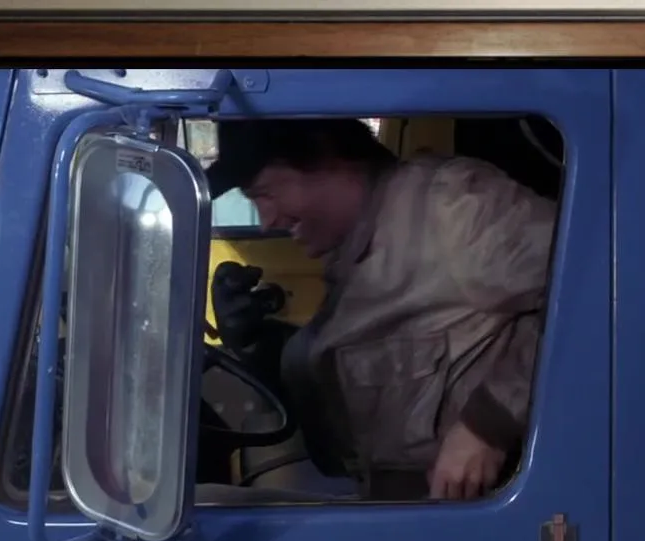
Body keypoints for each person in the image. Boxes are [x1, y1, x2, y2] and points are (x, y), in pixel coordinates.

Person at [205, 118, 555, 501]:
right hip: (387, 505)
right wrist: (260, 344)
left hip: (484, 514)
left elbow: (594, 287)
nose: (266, 220)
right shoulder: (351, 248)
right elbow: (366, 362)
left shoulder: (451, 209)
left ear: (325, 155)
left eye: (266, 193)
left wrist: (487, 425)